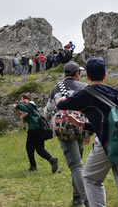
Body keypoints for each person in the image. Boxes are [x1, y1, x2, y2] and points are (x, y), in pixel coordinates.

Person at [57, 58, 118, 207]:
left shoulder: (86, 93)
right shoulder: (114, 94)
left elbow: (63, 105)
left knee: (91, 179)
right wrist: (80, 124)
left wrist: (61, 100)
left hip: (108, 143)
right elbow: (107, 121)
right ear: (105, 75)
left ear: (88, 77)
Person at [44, 61, 89, 207]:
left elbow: (47, 111)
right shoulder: (84, 88)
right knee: (78, 163)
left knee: (76, 165)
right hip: (81, 126)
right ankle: (78, 199)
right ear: (77, 74)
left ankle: (87, 201)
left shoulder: (56, 88)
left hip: (64, 129)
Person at [12, 93, 59, 173]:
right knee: (39, 149)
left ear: (28, 99)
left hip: (33, 130)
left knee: (29, 148)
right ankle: (52, 160)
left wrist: (16, 106)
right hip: (39, 130)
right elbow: (24, 119)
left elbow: (17, 106)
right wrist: (21, 114)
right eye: (21, 99)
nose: (22, 101)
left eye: (23, 99)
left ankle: (33, 167)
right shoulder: (32, 107)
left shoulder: (29, 105)